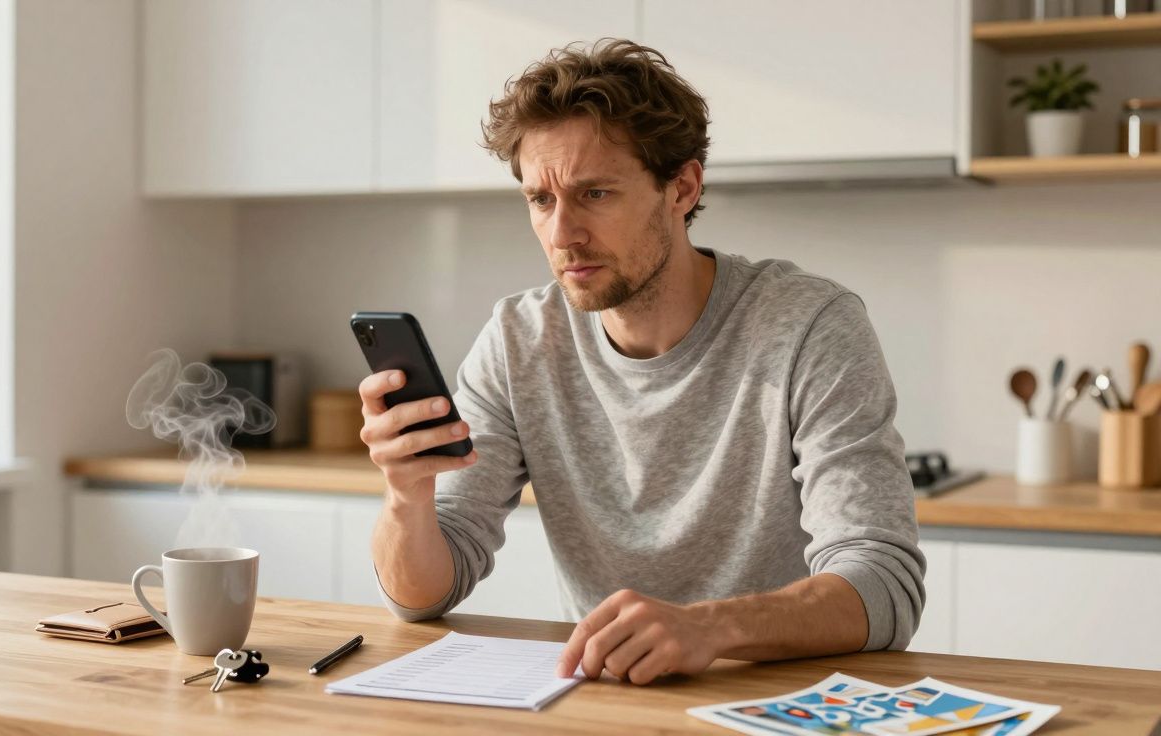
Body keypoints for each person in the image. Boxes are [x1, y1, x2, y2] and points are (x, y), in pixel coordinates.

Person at [358, 39, 924, 686]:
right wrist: (407, 495)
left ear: (681, 188)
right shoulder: (519, 340)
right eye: (540, 201)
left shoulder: (809, 326)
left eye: (594, 193)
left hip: (773, 701)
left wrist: (707, 628)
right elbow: (421, 594)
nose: (562, 234)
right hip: (603, 697)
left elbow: (883, 583)